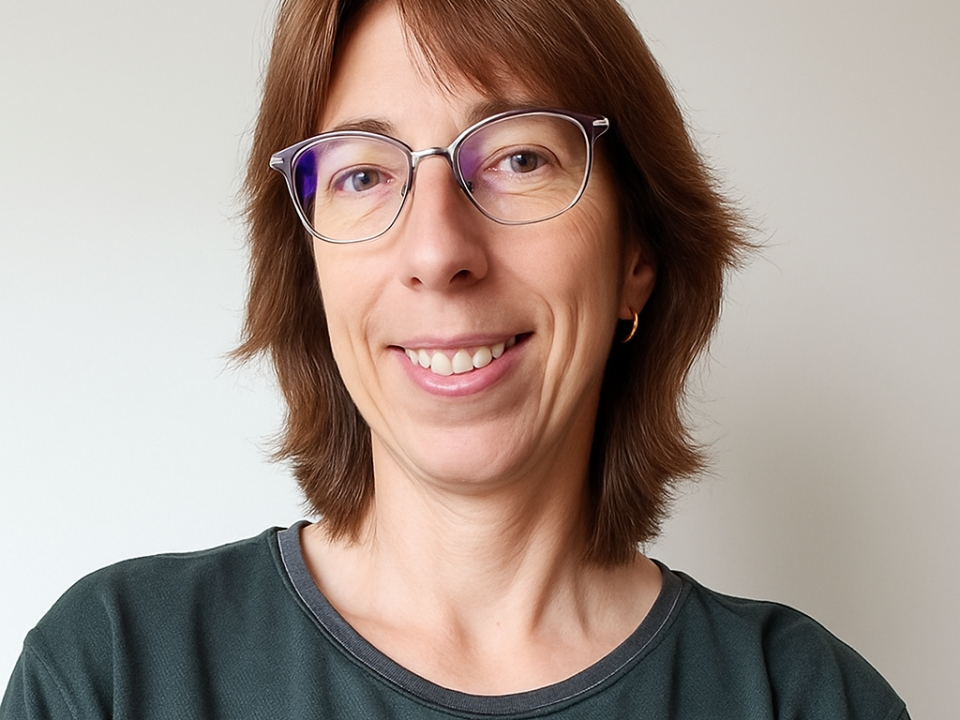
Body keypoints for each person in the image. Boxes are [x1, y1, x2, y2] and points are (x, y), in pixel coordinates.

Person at [1, 0, 910, 717]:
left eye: (519, 159)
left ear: (637, 257)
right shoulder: (112, 672)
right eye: (363, 173)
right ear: (311, 272)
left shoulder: (808, 699)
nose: (438, 251)